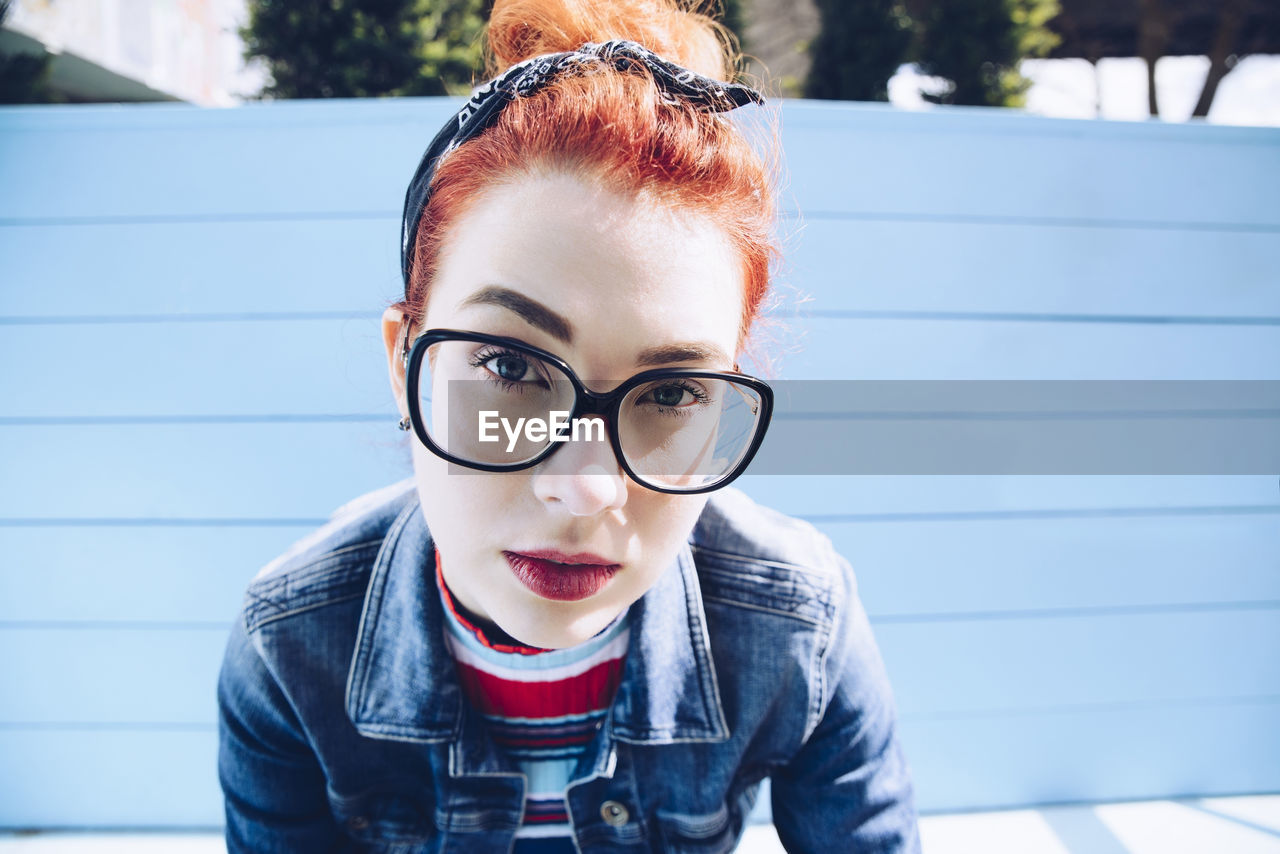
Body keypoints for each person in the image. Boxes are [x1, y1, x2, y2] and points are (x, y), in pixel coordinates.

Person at [216, 0, 921, 850]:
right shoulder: (289, 648)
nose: (586, 490)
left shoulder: (800, 626)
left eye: (671, 394)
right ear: (406, 364)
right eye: (510, 365)